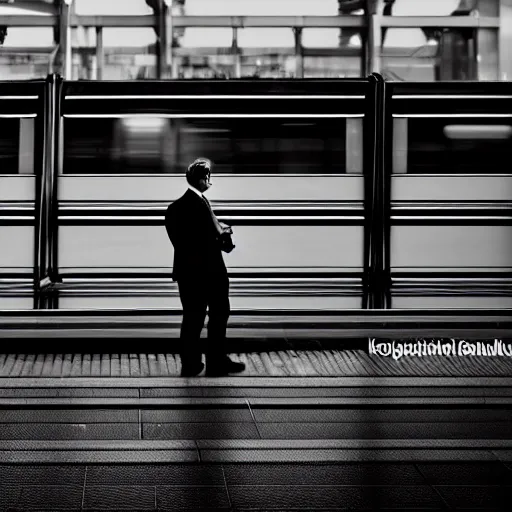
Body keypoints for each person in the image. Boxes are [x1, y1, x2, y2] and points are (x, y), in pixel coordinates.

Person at [165, 158, 245, 377]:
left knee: (192, 318)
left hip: (188, 273)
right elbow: (207, 240)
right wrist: (224, 238)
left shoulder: (175, 208)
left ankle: (191, 363)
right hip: (210, 273)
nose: (210, 181)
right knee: (219, 315)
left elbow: (184, 242)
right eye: (208, 177)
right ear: (202, 179)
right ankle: (216, 360)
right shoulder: (200, 204)